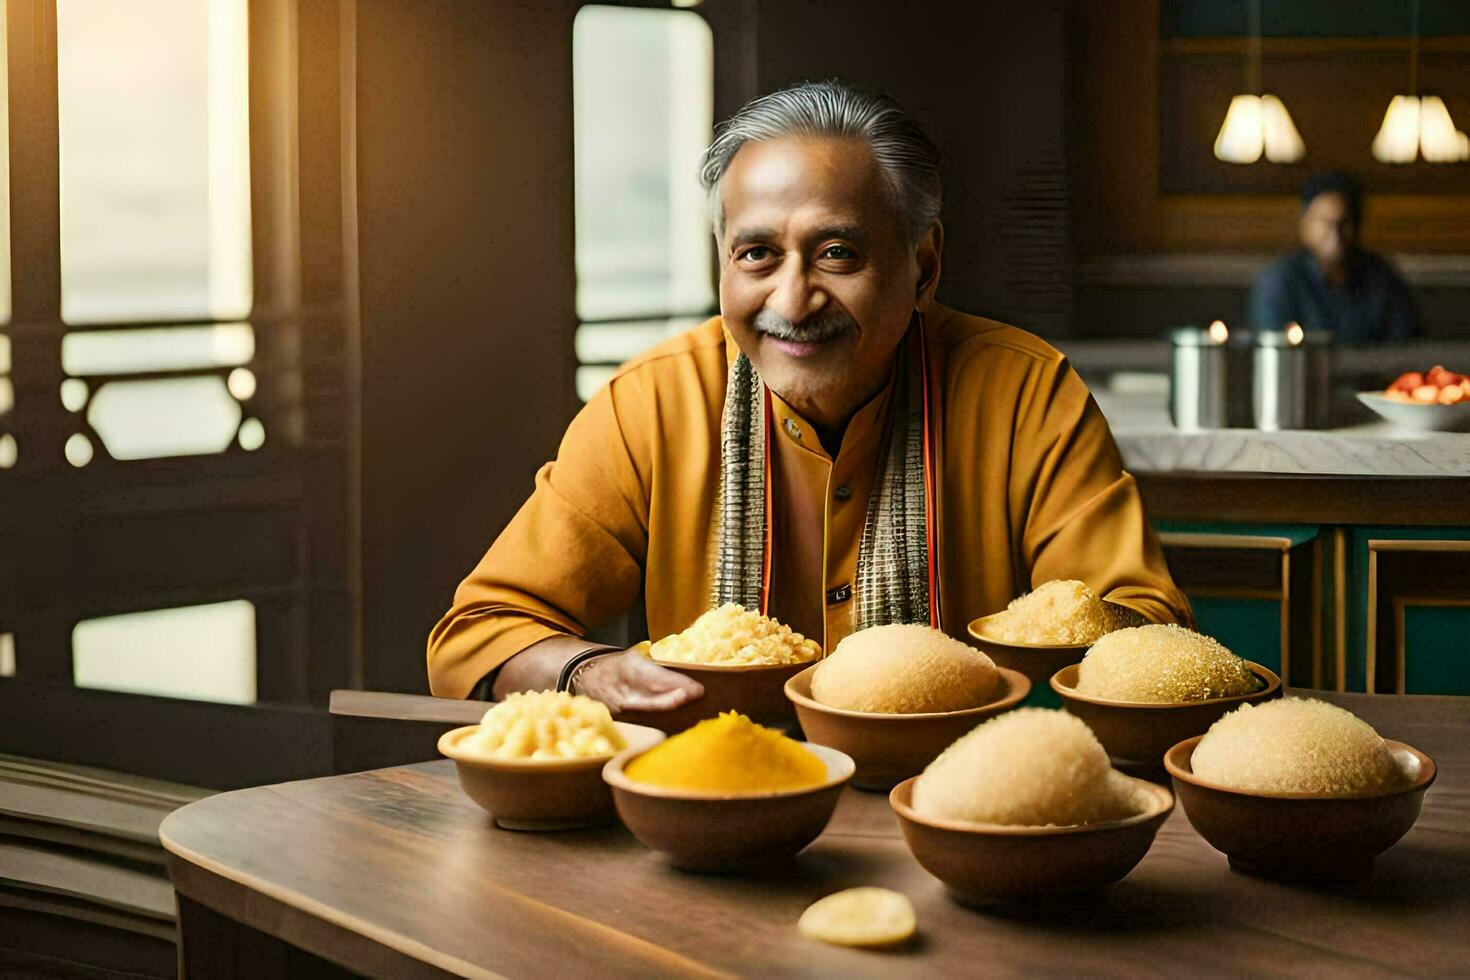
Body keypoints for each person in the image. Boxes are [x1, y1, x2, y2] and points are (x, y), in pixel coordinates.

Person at [426, 80, 1191, 709]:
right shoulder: (651, 404)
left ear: (923, 267)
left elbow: (1149, 634)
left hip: (960, 801)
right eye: (757, 254)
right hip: (719, 808)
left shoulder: (1025, 392)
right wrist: (590, 672)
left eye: (836, 254)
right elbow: (478, 633)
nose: (793, 300)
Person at [1248, 172, 1418, 343]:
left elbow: (1406, 347)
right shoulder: (1278, 282)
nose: (1334, 233)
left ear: (1357, 225)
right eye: (1324, 222)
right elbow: (1274, 351)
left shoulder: (1383, 278)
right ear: (1305, 224)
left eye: (1343, 222)